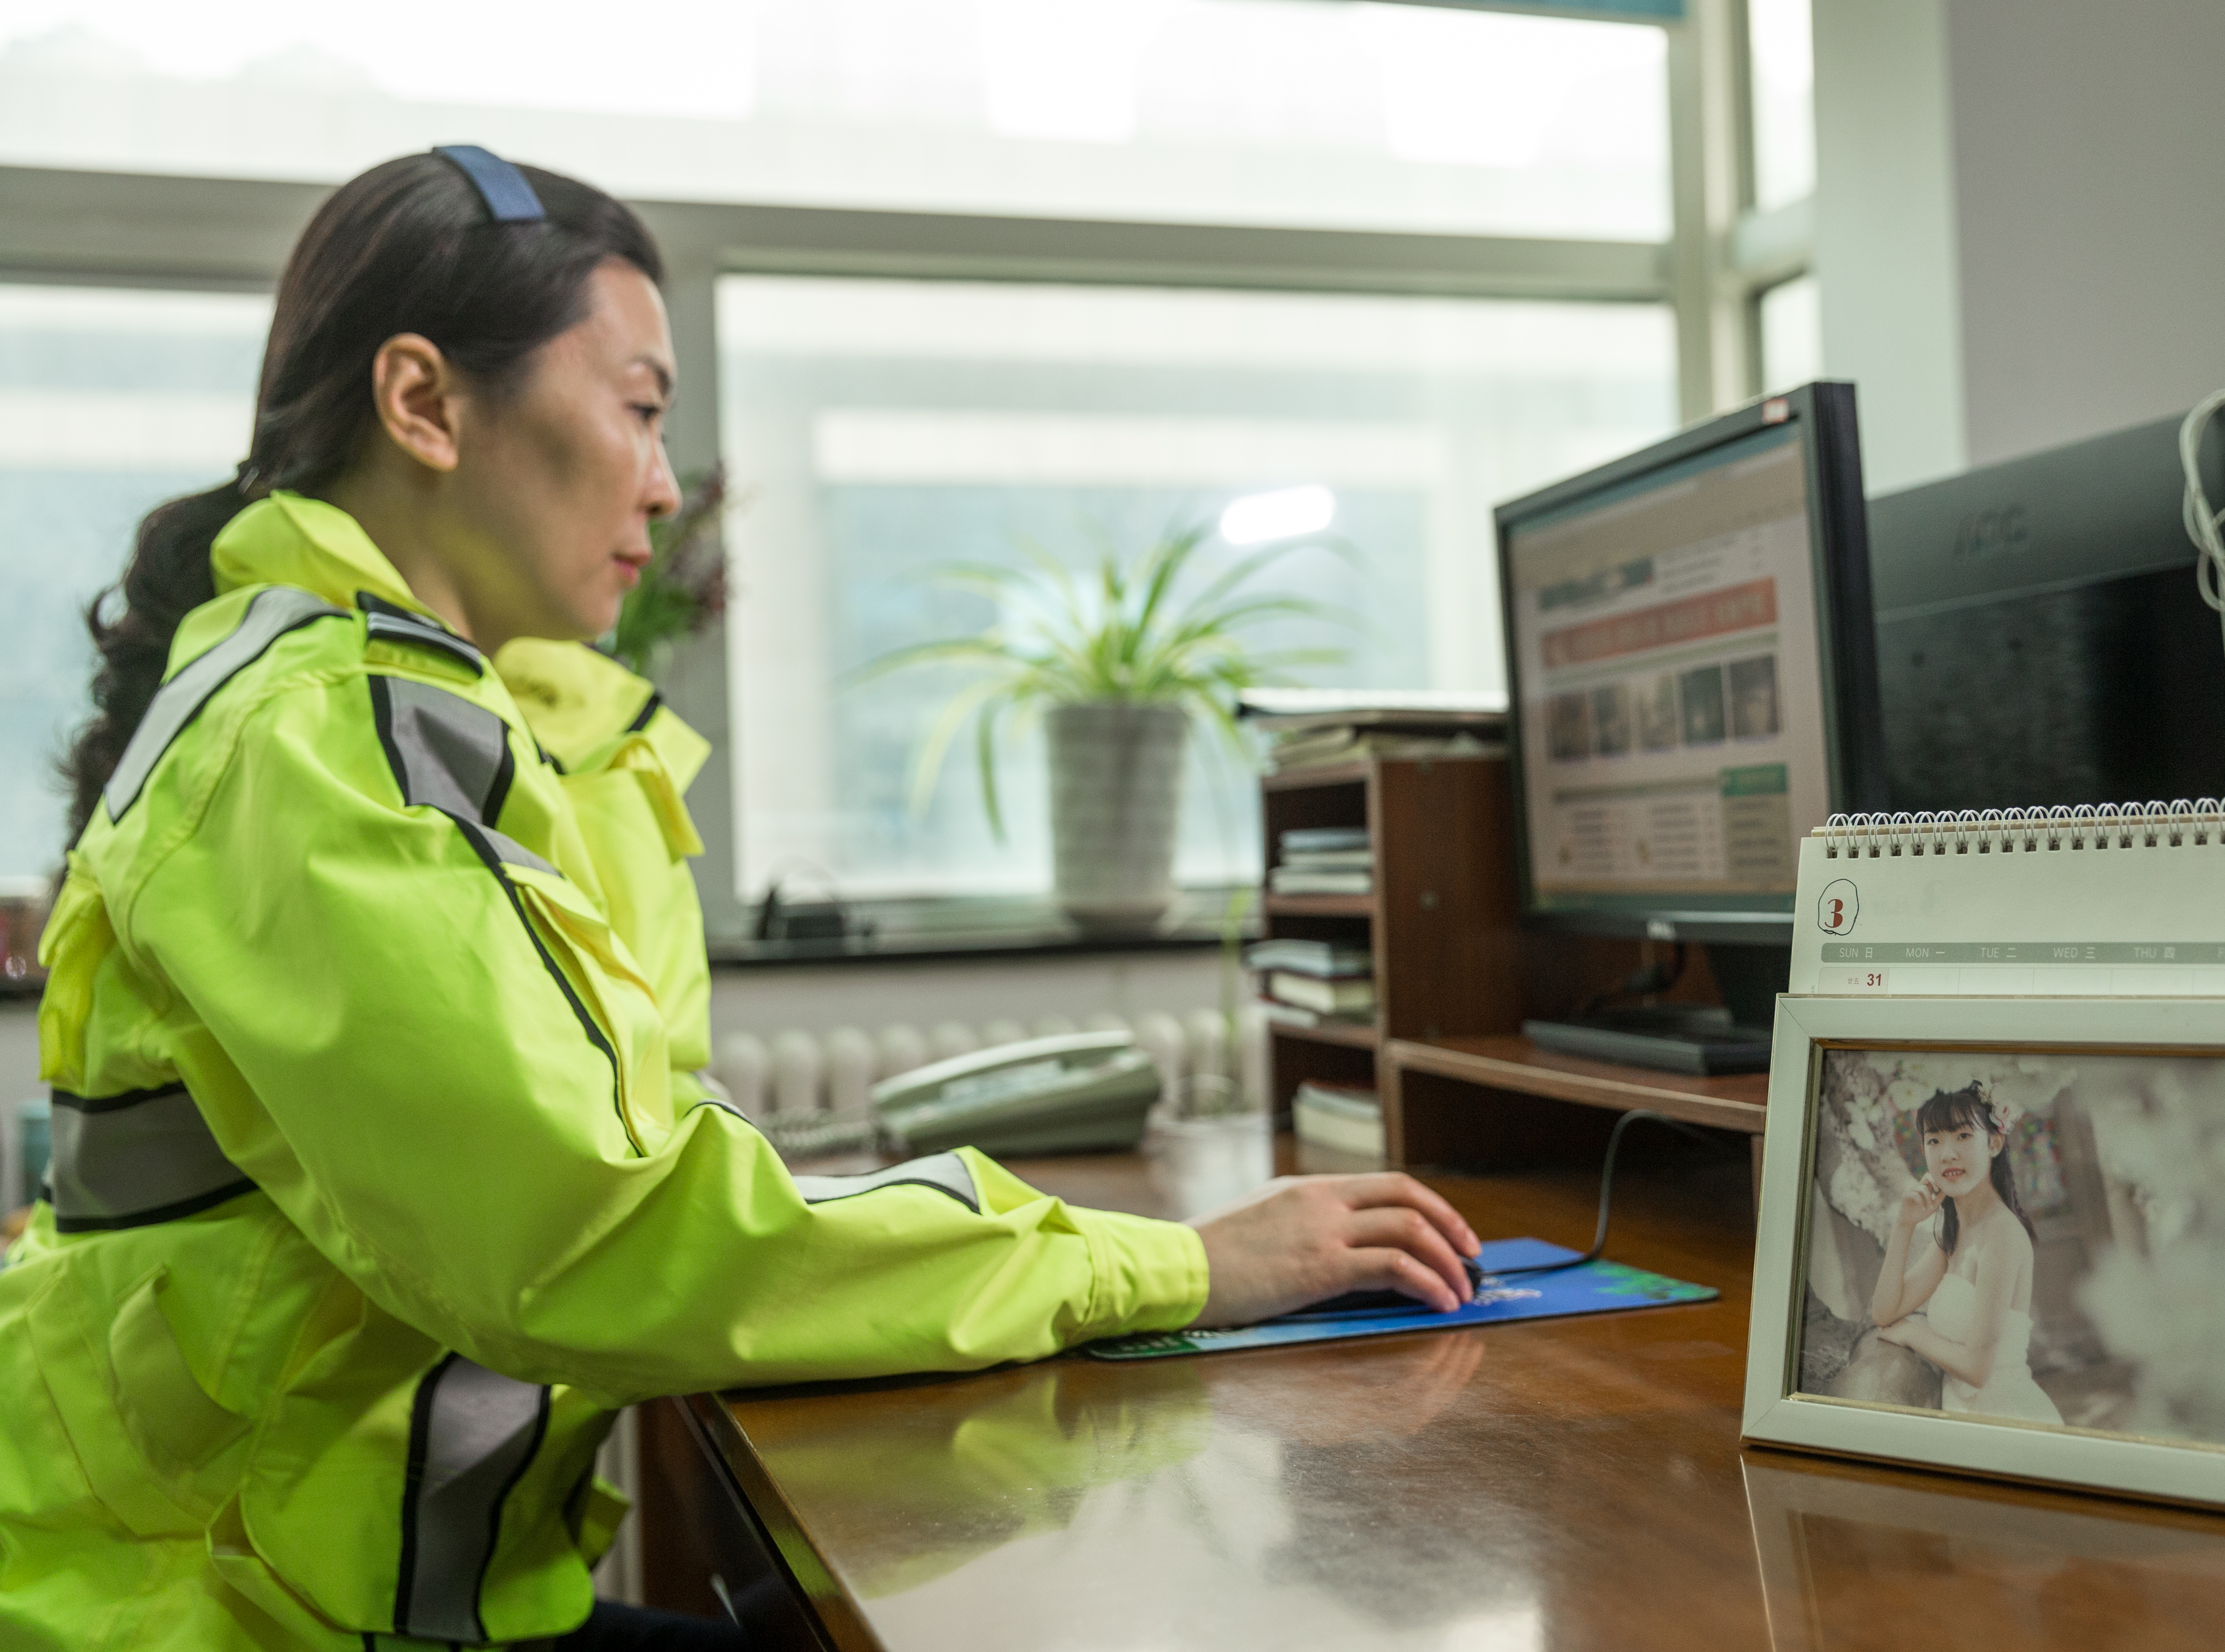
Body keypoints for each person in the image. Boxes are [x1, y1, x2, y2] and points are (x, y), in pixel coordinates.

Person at [0, 147, 1479, 1652]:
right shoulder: (314, 738)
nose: (663, 481)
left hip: (351, 1592)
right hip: (222, 1618)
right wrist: (1187, 1265)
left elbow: (599, 1130)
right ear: (424, 405)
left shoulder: (433, 709)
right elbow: (597, 1231)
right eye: (639, 408)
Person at [1867, 1082, 2062, 1425]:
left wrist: (1914, 1334)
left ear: (1994, 1143)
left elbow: (1977, 1370)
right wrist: (1904, 1225)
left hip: (2003, 1418)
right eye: (1934, 1140)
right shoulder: (1954, 1232)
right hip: (1961, 1412)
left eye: (1962, 1136)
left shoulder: (2002, 1234)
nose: (1948, 1154)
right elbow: (1885, 1312)